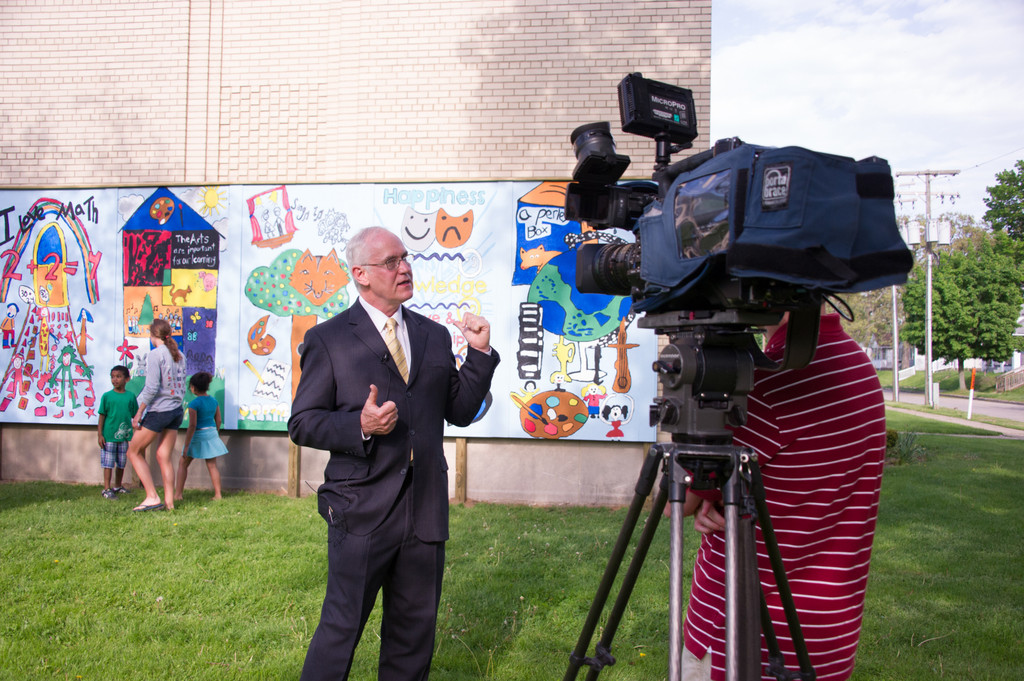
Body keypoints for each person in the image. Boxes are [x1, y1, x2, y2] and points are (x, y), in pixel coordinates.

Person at [289, 225, 500, 681]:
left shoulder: (432, 335)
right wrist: (360, 425)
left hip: (424, 508)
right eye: (391, 262)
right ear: (361, 274)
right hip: (361, 508)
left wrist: (480, 355)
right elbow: (302, 422)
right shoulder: (329, 339)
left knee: (413, 636)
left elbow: (460, 411)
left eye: (405, 258)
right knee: (341, 628)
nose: (404, 268)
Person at [680, 310, 886, 681]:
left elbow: (677, 500)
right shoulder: (856, 362)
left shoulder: (771, 383)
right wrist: (717, 488)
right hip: (826, 636)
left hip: (744, 640)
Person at [126, 318, 188, 512]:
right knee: (163, 456)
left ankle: (152, 496)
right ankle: (169, 503)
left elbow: (151, 388)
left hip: (160, 411)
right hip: (176, 411)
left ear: (153, 335)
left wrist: (139, 412)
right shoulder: (180, 355)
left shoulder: (155, 354)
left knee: (133, 451)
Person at [174, 371, 228, 501]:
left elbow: (192, 425)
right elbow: (218, 420)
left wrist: (186, 446)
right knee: (212, 465)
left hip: (198, 435)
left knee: (183, 463)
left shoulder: (194, 404)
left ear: (193, 388)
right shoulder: (213, 401)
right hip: (211, 433)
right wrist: (215, 433)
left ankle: (178, 495)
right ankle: (218, 494)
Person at [97, 365, 138, 499]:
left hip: (124, 437)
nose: (115, 380)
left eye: (118, 377)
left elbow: (135, 416)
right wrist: (100, 434)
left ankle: (117, 486)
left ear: (127, 379)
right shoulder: (107, 396)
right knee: (108, 463)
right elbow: (102, 416)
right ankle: (106, 489)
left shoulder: (130, 396)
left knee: (121, 463)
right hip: (109, 436)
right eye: (113, 377)